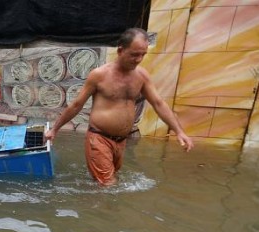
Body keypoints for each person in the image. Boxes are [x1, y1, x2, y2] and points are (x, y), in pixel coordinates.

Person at [44, 28, 194, 186]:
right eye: (134, 54)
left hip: (121, 142)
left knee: (107, 185)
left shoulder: (141, 76)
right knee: (109, 185)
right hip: (99, 139)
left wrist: (179, 131)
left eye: (143, 54)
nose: (138, 59)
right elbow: (76, 105)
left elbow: (158, 103)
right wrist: (55, 129)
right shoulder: (99, 75)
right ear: (120, 50)